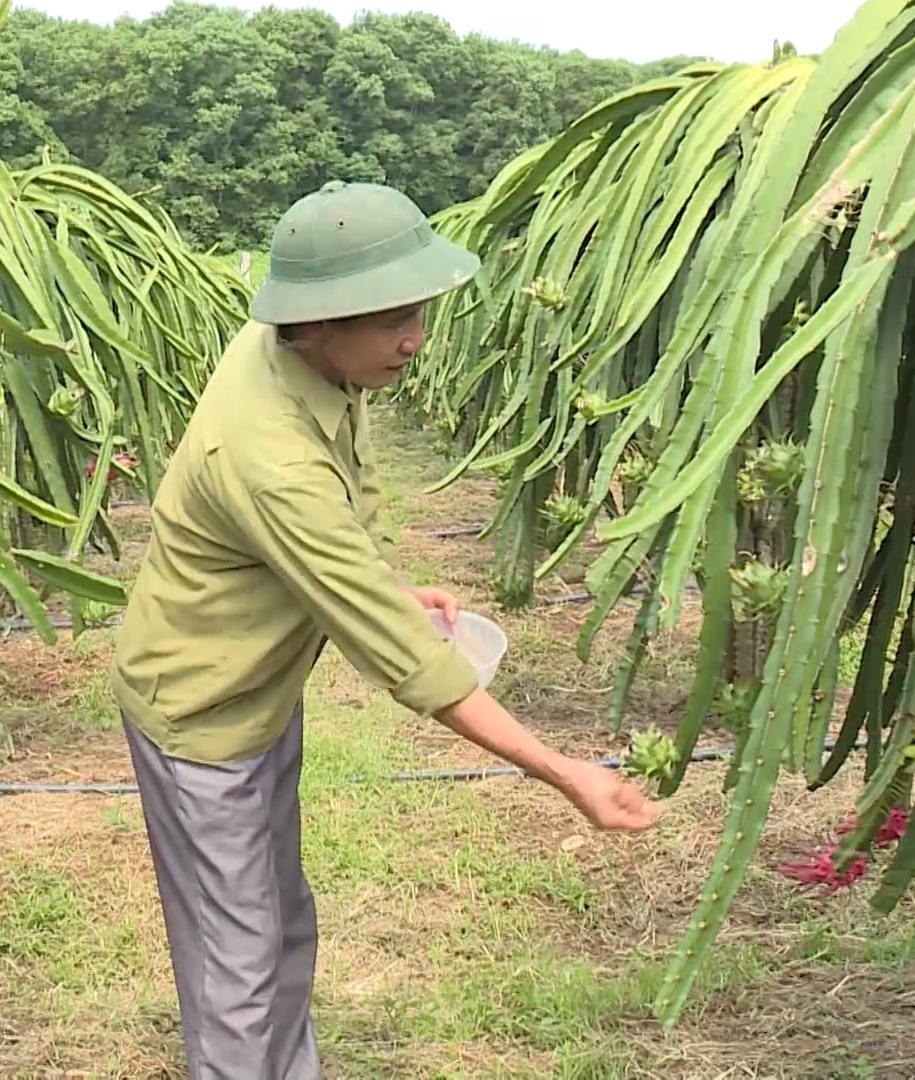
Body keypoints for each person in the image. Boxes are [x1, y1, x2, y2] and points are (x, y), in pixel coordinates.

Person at [109, 180, 659, 1080]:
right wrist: (568, 776)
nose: (416, 339)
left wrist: (387, 585)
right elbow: (409, 665)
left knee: (278, 921)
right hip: (202, 715)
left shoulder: (306, 354)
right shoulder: (267, 455)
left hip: (256, 693)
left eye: (418, 311)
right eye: (392, 319)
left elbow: (349, 507)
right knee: (235, 962)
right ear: (318, 320)